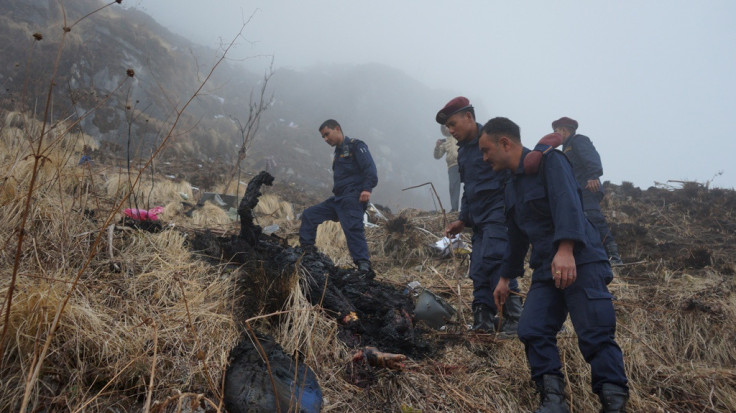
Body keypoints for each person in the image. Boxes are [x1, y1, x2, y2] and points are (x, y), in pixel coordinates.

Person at [479, 117, 629, 413]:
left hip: (581, 260)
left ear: (505, 143)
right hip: (547, 268)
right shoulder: (512, 186)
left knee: (595, 333)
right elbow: (517, 238)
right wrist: (505, 278)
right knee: (532, 329)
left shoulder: (551, 162)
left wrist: (566, 247)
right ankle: (553, 401)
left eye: (486, 151)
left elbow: (568, 203)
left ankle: (613, 403)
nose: (484, 158)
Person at [435, 97, 522, 335]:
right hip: (479, 219)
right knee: (479, 267)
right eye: (448, 128)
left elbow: (510, 176)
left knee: (497, 260)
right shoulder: (462, 153)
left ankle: (514, 319)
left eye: (453, 124)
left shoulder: (492, 139)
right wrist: (463, 219)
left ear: (469, 117)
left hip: (498, 212)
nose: (451, 131)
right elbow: (469, 189)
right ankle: (483, 321)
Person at [299, 119, 378, 273]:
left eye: (327, 134)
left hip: (352, 197)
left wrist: (366, 189)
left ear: (337, 129)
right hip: (338, 199)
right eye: (323, 137)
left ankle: (363, 266)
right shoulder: (337, 153)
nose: (326, 139)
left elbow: (370, 169)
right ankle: (306, 252)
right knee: (309, 215)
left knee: (353, 229)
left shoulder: (356, 146)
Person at [552, 117, 623, 266]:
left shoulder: (578, 140)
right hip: (577, 191)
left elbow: (591, 158)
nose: (555, 134)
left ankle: (614, 258)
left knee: (594, 219)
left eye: (556, 131)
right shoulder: (566, 147)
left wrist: (593, 176)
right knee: (584, 222)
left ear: (564, 130)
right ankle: (597, 258)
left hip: (588, 187)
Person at [433, 125, 461, 212]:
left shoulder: (459, 135)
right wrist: (437, 147)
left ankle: (469, 208)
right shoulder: (444, 142)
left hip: (463, 162)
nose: (445, 129)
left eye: (446, 126)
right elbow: (437, 156)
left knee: (469, 185)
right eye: (443, 128)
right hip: (452, 166)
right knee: (453, 187)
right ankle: (454, 209)